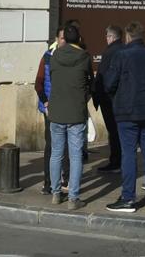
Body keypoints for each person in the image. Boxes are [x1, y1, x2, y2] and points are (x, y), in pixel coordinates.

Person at [102, 21, 145, 212]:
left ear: (127, 37)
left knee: (129, 154)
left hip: (127, 113)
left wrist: (117, 98)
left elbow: (109, 84)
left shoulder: (121, 56)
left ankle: (128, 198)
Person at [47, 23, 93, 210]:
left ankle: (56, 193)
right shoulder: (84, 57)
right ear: (79, 39)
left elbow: (52, 76)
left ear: (64, 38)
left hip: (57, 111)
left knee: (56, 153)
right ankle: (73, 198)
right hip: (76, 112)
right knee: (75, 156)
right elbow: (90, 81)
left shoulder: (55, 55)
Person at [34, 28, 69, 194]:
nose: (64, 41)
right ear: (56, 38)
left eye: (66, 38)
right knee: (51, 146)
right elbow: (38, 83)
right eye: (61, 38)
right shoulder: (47, 57)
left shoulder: (74, 55)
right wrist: (45, 103)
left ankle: (65, 179)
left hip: (67, 107)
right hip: (50, 108)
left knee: (67, 146)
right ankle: (48, 182)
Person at [92, 24, 123, 173]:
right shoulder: (124, 49)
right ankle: (121, 159)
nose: (106, 39)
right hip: (122, 98)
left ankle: (116, 161)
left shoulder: (110, 52)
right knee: (121, 131)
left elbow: (103, 77)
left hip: (109, 99)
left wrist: (97, 96)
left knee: (114, 131)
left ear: (111, 37)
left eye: (107, 36)